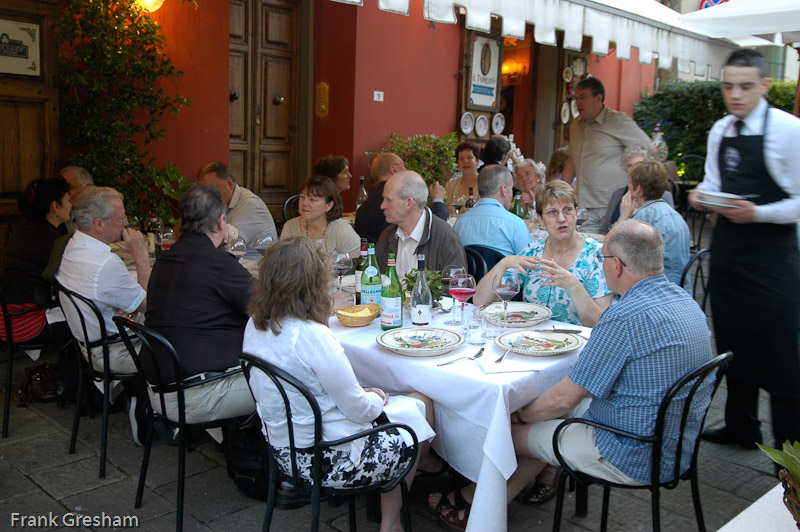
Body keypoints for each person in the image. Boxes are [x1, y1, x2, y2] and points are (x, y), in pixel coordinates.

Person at [429, 220, 714, 529]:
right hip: (676, 442)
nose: (602, 267)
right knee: (545, 420)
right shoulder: (686, 301)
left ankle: (477, 512)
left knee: (500, 434)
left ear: (616, 265)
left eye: (603, 260)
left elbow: (564, 398)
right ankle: (475, 500)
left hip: (629, 451)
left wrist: (520, 417)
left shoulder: (624, 316)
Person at [243, 237, 441, 532]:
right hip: (328, 460)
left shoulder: (256, 324)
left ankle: (417, 476)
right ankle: (392, 523)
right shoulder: (313, 336)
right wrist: (375, 396)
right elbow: (361, 411)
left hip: (283, 451)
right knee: (417, 411)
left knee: (407, 404)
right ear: (314, 284)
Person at [690, 49, 800, 451]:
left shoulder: (789, 130)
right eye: (728, 86)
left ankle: (790, 457)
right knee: (734, 345)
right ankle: (741, 427)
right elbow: (713, 181)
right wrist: (705, 196)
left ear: (765, 85)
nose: (735, 95)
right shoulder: (720, 129)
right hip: (730, 254)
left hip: (773, 261)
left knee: (782, 358)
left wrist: (758, 213)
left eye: (745, 86)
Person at [144, 184, 255, 424]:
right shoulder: (217, 264)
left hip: (159, 386)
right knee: (297, 381)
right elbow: (267, 307)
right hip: (197, 392)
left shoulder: (165, 259)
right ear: (220, 222)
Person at [55, 186, 151, 444]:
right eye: (121, 218)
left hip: (89, 346)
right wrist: (141, 256)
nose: (125, 223)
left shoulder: (74, 245)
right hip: (118, 351)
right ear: (99, 224)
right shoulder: (105, 263)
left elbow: (106, 292)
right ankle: (150, 406)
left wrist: (122, 303)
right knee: (179, 332)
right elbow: (148, 304)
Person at [474, 181, 612, 327]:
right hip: (532, 341)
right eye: (552, 212)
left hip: (579, 342)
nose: (561, 218)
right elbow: (479, 302)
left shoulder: (597, 256)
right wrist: (503, 264)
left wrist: (574, 286)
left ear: (576, 213)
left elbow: (602, 323)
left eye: (568, 210)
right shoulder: (533, 251)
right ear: (540, 218)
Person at [561, 77, 652, 233]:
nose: (578, 103)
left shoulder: (618, 121)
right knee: (586, 250)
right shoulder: (575, 125)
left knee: (612, 250)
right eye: (576, 98)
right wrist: (560, 190)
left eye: (583, 97)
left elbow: (647, 151)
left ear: (599, 98)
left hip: (612, 204)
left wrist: (636, 190)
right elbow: (573, 158)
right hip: (583, 204)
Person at [2, 177, 73, 345]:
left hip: (7, 312)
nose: (71, 205)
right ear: (56, 206)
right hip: (24, 320)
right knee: (88, 322)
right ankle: (74, 370)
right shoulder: (48, 240)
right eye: (68, 200)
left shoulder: (25, 229)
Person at [377, 171, 467, 277]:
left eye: (389, 200)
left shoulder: (446, 240)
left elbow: (456, 287)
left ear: (409, 203)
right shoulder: (388, 235)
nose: (382, 206)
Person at [617, 160, 690, 285]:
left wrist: (623, 217)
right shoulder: (674, 214)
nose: (628, 186)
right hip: (681, 289)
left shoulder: (644, 218)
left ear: (638, 189)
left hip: (658, 292)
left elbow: (617, 256)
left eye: (630, 182)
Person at [197, 162, 278, 254]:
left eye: (213, 188)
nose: (207, 194)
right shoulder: (222, 203)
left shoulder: (249, 205)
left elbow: (227, 245)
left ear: (230, 184)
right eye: (203, 189)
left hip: (255, 265)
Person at [454, 165, 531, 256]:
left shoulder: (460, 222)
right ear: (504, 190)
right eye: (511, 188)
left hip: (469, 270)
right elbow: (530, 265)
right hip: (503, 270)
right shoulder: (515, 224)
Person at [599, 146, 674, 234]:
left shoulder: (664, 196)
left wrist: (623, 217)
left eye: (639, 165)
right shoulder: (618, 194)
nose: (634, 169)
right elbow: (604, 230)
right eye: (630, 165)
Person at [280, 176, 361, 258]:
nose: (304, 203)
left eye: (312, 199)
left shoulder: (341, 230)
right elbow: (281, 262)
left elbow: (360, 263)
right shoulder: (291, 227)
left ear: (329, 205)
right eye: (302, 197)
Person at [445, 142, 481, 216]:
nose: (465, 161)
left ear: (477, 161)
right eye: (461, 158)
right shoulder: (451, 184)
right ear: (458, 163)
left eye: (469, 158)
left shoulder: (484, 185)